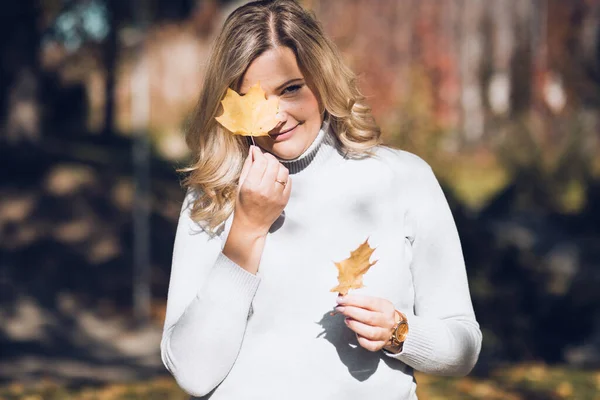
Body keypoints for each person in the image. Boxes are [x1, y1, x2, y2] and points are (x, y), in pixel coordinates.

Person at [160, 1, 482, 399]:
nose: (275, 116)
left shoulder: (403, 179)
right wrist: (246, 229)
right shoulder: (211, 195)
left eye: (292, 89)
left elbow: (464, 345)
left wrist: (399, 331)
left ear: (322, 79)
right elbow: (193, 372)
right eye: (254, 99)